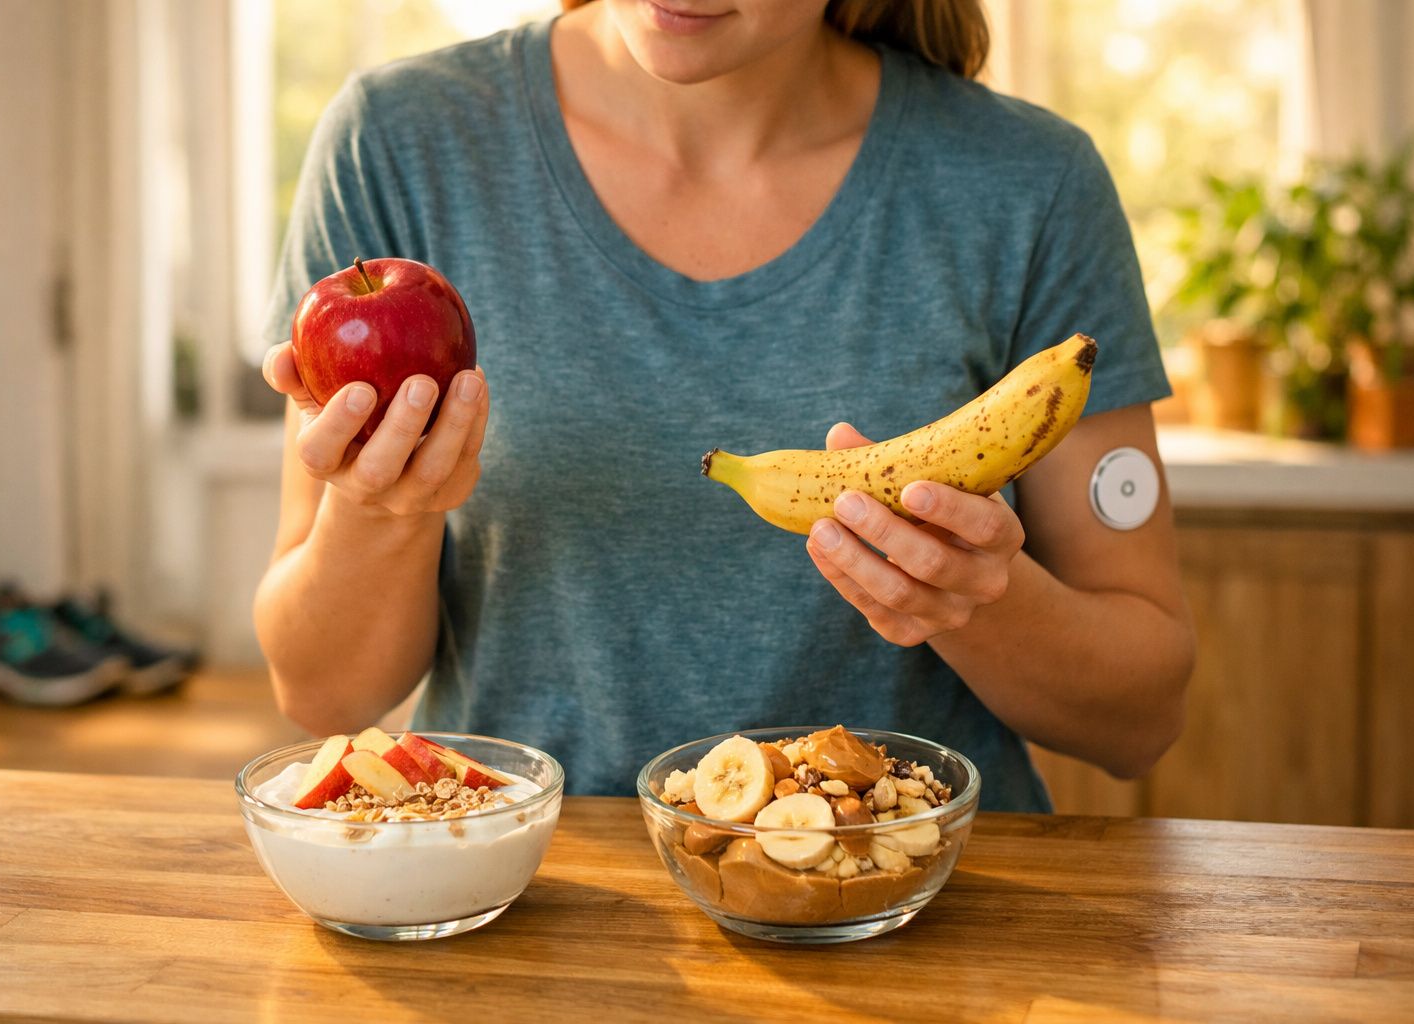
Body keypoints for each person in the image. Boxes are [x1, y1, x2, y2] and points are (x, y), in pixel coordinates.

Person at [255, 0, 1196, 809]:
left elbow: (1141, 717)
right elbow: (321, 689)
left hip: (906, 919)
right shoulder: (400, 142)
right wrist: (379, 511)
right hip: (525, 908)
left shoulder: (1029, 184)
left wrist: (974, 603)